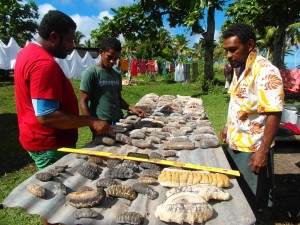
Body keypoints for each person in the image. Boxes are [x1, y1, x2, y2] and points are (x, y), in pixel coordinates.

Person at [14, 9, 114, 184]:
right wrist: (91, 121)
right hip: (50, 144)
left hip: (37, 137)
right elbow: (46, 116)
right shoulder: (44, 64)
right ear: (54, 36)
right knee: (60, 195)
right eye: (69, 40)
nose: (72, 45)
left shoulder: (26, 52)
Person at [220, 23, 284, 211]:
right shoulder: (239, 67)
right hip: (236, 140)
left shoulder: (265, 71)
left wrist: (263, 151)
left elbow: (273, 112)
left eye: (233, 49)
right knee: (237, 191)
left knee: (250, 200)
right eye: (226, 50)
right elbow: (238, 103)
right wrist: (227, 125)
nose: (228, 55)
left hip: (253, 146)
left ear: (249, 44)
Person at [80, 37, 145, 139]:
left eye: (116, 58)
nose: (112, 61)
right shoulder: (91, 73)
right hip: (102, 122)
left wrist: (132, 108)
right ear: (101, 52)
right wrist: (93, 123)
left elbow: (118, 99)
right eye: (109, 57)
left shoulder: (116, 74)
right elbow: (83, 102)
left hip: (119, 120)